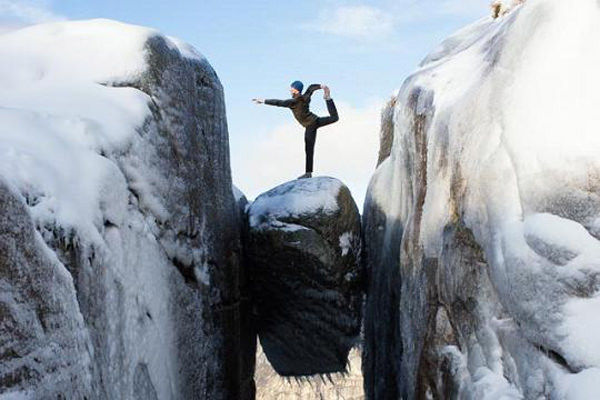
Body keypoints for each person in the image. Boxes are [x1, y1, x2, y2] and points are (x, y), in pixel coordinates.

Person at [253, 81, 339, 179]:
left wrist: (263, 101)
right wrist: (322, 86)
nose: (290, 89)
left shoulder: (293, 102)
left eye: (291, 88)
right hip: (316, 121)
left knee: (309, 148)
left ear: (296, 89)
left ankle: (308, 173)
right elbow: (311, 88)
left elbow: (278, 102)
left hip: (310, 125)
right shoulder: (305, 97)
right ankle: (328, 99)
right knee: (334, 118)